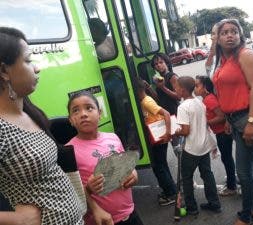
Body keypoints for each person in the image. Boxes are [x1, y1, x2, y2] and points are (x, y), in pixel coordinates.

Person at [0, 27, 84, 224]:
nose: (37, 68)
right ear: (4, 71)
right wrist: (13, 219)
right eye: (28, 61)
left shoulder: (28, 112)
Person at [212, 19, 253, 225]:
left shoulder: (246, 55)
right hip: (235, 119)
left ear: (240, 35)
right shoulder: (225, 60)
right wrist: (227, 119)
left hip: (247, 117)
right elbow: (228, 91)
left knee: (244, 172)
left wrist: (252, 122)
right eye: (224, 32)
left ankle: (245, 216)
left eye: (234, 32)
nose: (229, 35)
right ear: (217, 39)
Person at [66, 91, 144, 225]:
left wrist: (134, 174)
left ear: (100, 113)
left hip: (130, 213)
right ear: (71, 120)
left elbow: (126, 166)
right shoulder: (68, 151)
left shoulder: (113, 137)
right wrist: (89, 189)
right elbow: (70, 193)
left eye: (89, 108)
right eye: (76, 111)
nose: (83, 114)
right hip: (103, 221)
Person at [173, 76, 221, 215]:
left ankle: (192, 207)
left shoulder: (182, 107)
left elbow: (186, 131)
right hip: (204, 146)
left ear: (182, 90)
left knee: (186, 178)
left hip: (192, 149)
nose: (175, 89)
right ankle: (215, 203)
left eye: (176, 87)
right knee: (207, 174)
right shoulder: (200, 102)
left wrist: (177, 132)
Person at [135, 77, 177, 206]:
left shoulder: (146, 101)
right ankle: (171, 189)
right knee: (162, 165)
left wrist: (168, 132)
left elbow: (165, 113)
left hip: (160, 137)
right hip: (159, 138)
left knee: (158, 167)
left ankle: (170, 194)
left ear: (137, 90)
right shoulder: (145, 100)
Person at [194, 75, 236, 196]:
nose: (194, 88)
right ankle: (231, 180)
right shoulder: (206, 98)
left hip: (223, 132)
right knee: (227, 158)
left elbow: (221, 116)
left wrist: (207, 123)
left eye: (197, 85)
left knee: (227, 159)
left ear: (205, 87)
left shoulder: (209, 99)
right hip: (220, 133)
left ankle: (231, 187)